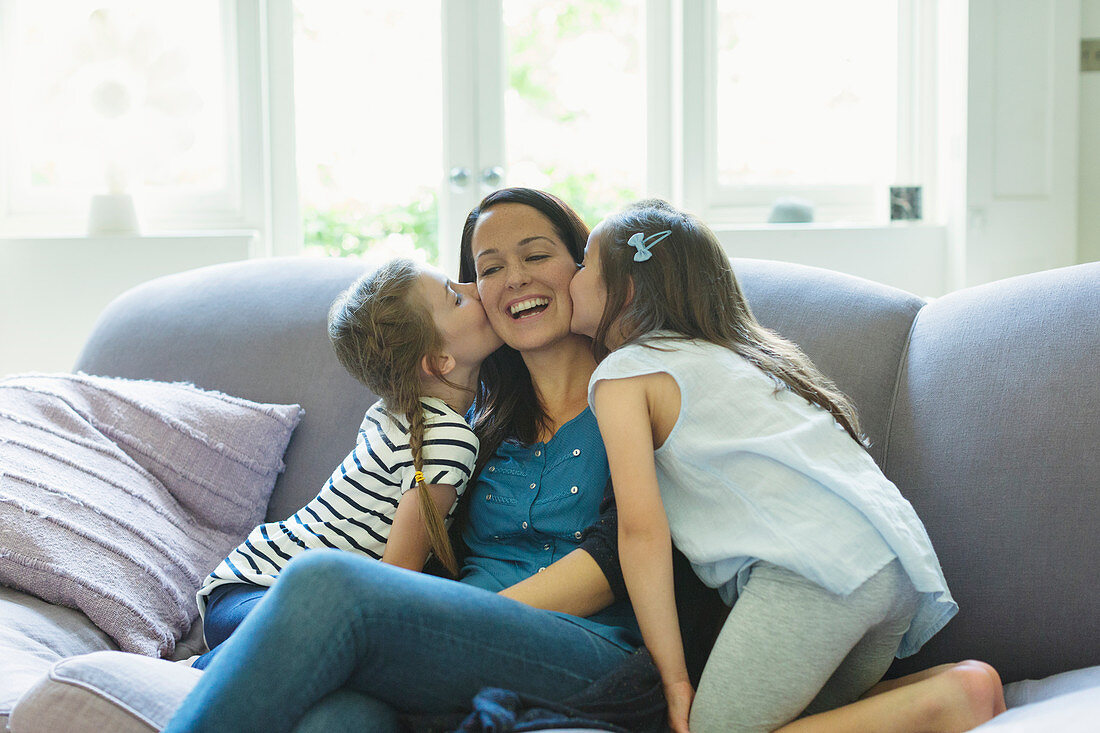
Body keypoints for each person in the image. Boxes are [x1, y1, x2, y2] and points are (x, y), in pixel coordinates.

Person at [162, 188, 648, 733]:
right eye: (489, 269)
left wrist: (442, 622)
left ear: (584, 268)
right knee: (339, 721)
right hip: (437, 650)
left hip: (582, 647)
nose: (513, 279)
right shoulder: (467, 430)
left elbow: (622, 557)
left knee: (327, 582)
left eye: (536, 256)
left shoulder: (639, 396)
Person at [569, 198, 1006, 733]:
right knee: (808, 717)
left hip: (812, 577)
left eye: (584, 263)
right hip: (894, 565)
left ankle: (951, 700)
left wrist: (675, 678)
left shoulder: (625, 373)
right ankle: (953, 685)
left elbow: (640, 533)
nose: (572, 275)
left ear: (627, 290)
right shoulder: (743, 356)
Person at [189, 258, 500, 670]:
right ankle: (195, 672)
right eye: (456, 298)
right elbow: (396, 578)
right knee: (331, 644)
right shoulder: (449, 441)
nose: (475, 287)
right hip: (263, 595)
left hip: (237, 589)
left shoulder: (393, 412)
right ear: (439, 361)